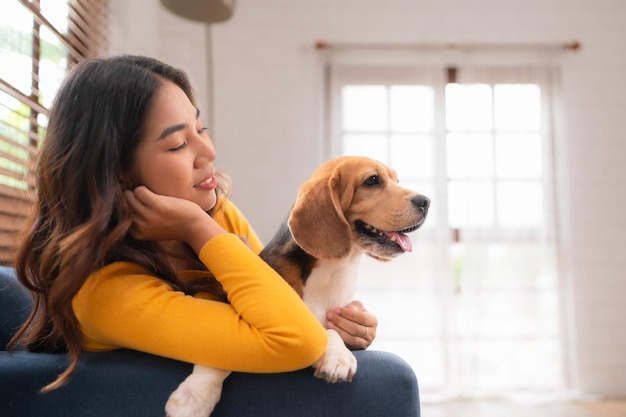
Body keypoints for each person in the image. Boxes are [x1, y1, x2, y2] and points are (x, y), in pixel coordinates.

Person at [8, 55, 418, 416]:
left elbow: (277, 302)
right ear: (115, 172)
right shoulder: (107, 292)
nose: (209, 152)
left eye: (201, 129)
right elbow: (296, 339)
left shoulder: (217, 212)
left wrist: (339, 328)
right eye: (177, 144)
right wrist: (197, 229)